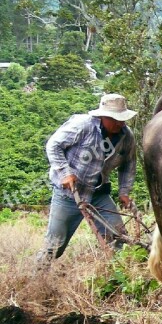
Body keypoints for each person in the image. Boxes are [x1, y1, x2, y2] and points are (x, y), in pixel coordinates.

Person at [35, 93, 137, 265]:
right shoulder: (83, 125)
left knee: (119, 238)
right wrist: (64, 172)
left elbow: (128, 165)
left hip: (99, 194)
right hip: (69, 193)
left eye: (122, 119)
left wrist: (124, 191)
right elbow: (53, 145)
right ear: (103, 116)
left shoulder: (126, 136)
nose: (119, 123)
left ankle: (119, 277)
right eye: (114, 119)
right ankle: (36, 277)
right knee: (55, 246)